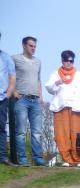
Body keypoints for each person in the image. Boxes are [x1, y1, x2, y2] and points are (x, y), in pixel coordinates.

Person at [45, 50, 80, 168]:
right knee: (62, 134)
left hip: (76, 108)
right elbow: (49, 88)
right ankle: (66, 159)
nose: (68, 63)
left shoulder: (79, 74)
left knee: (77, 134)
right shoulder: (55, 74)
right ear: (62, 60)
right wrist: (58, 82)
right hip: (60, 108)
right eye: (66, 60)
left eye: (71, 60)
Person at [12, 36, 45, 167]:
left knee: (37, 132)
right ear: (24, 46)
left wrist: (41, 96)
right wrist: (14, 91)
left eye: (35, 46)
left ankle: (38, 158)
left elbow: (38, 80)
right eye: (31, 46)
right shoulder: (15, 59)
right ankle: (22, 159)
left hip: (35, 100)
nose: (33, 48)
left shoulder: (38, 62)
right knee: (21, 132)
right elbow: (9, 76)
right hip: (22, 100)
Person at [0, 32, 16, 166]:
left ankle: (3, 157)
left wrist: (8, 93)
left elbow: (12, 76)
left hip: (1, 99)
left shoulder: (6, 57)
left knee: (1, 128)